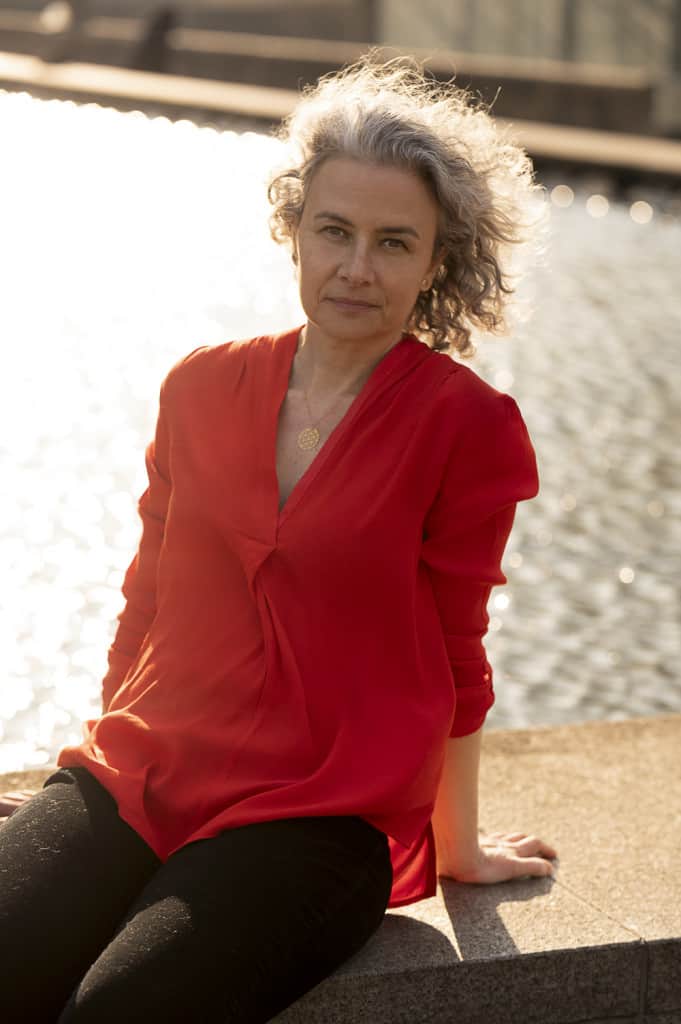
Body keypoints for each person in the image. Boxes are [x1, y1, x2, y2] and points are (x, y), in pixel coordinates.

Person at [0, 54, 557, 1023]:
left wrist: (458, 846)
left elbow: (457, 652)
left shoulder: (464, 424)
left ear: (436, 262)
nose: (356, 267)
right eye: (334, 230)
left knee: (118, 1012)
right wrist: (85, 777)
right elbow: (148, 599)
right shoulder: (199, 386)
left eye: (393, 242)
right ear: (293, 231)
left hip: (321, 812)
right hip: (148, 769)